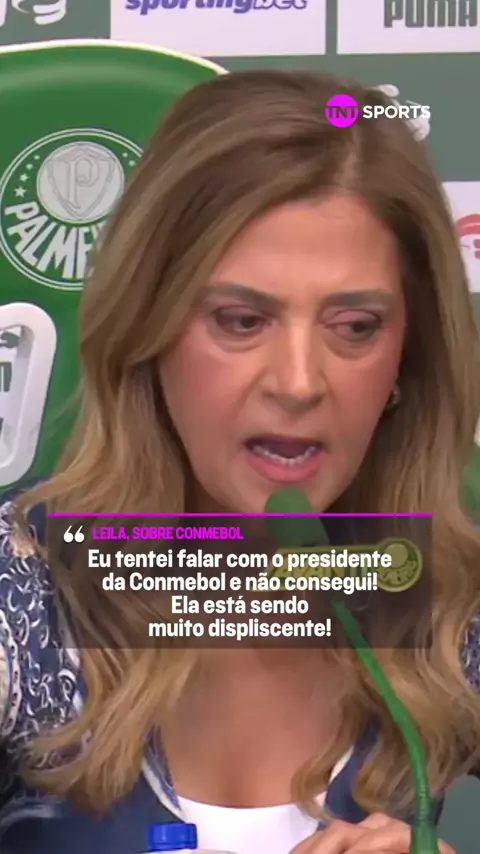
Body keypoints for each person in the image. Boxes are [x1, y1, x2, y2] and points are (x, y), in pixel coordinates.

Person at [0, 69, 479, 854]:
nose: (299, 382)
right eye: (241, 320)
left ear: (410, 354)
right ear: (147, 329)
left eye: (355, 327)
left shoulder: (449, 596)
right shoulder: (24, 597)